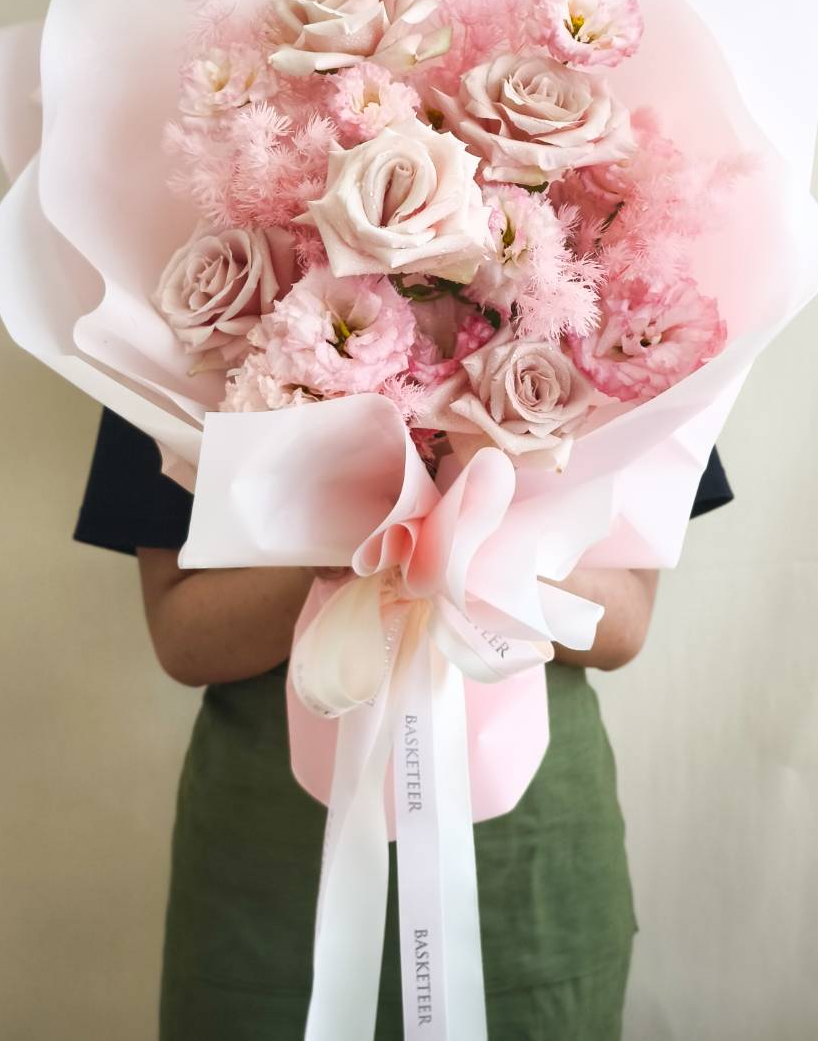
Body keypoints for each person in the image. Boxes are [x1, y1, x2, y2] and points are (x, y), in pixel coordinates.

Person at [75, 408, 733, 1041]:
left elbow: (621, 625)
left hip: (529, 854)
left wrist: (460, 528)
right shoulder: (187, 306)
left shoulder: (622, 310)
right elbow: (185, 638)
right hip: (272, 860)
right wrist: (343, 542)